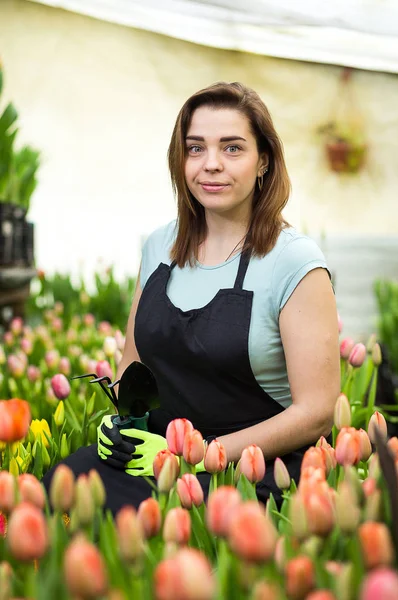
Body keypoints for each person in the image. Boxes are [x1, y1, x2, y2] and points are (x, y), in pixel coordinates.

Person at [43, 81, 340, 514]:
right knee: (58, 488)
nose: (211, 164)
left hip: (251, 471)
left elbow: (317, 411)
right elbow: (134, 363)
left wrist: (200, 454)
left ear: (264, 163)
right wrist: (123, 421)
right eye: (196, 148)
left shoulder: (294, 261)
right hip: (160, 457)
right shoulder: (160, 245)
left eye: (233, 148)